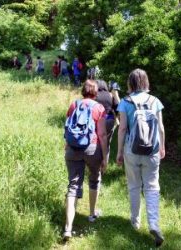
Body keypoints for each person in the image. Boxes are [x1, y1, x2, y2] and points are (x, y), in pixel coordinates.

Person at [116, 69, 165, 247]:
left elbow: (122, 129)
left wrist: (119, 152)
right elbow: (160, 128)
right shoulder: (155, 101)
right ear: (146, 82)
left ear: (130, 83)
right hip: (152, 151)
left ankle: (135, 222)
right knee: (152, 187)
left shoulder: (125, 102)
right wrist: (163, 147)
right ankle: (154, 224)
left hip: (132, 150)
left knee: (134, 186)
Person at [63, 79, 108, 240]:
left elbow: (68, 127)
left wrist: (67, 145)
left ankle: (68, 228)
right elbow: (102, 134)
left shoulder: (74, 105)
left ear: (83, 90)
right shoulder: (99, 108)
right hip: (92, 148)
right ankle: (91, 214)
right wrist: (104, 156)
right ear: (96, 92)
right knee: (94, 179)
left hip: (73, 148)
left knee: (73, 185)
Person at [95, 79, 119, 161]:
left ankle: (96, 164)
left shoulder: (94, 95)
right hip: (109, 120)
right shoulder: (110, 95)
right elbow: (117, 108)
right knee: (107, 144)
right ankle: (104, 164)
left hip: (98, 121)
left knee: (96, 142)